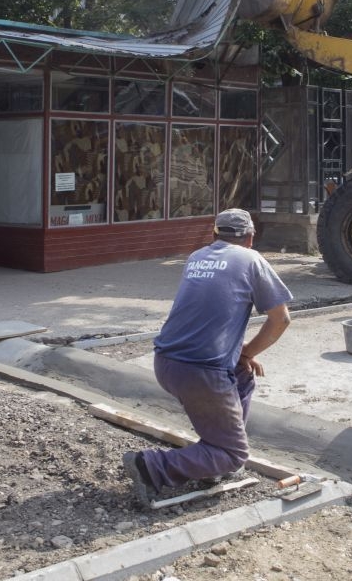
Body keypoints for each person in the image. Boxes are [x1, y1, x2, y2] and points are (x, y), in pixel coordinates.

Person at [122, 208, 292, 506]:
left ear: (214, 234)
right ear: (250, 238)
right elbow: (281, 320)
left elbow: (205, 315)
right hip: (201, 374)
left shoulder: (197, 257)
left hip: (166, 362)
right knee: (235, 455)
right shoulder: (252, 259)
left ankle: (213, 456)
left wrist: (241, 355)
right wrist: (248, 352)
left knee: (242, 375)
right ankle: (152, 466)